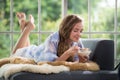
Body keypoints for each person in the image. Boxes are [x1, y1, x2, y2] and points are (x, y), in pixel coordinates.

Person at [11, 12, 88, 63]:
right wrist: (67, 53)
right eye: (75, 30)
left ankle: (23, 27)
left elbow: (76, 62)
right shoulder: (54, 39)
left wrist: (81, 59)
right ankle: (28, 28)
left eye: (81, 31)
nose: (79, 34)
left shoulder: (77, 42)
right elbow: (51, 63)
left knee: (25, 47)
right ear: (67, 29)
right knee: (13, 55)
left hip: (36, 50)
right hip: (34, 53)